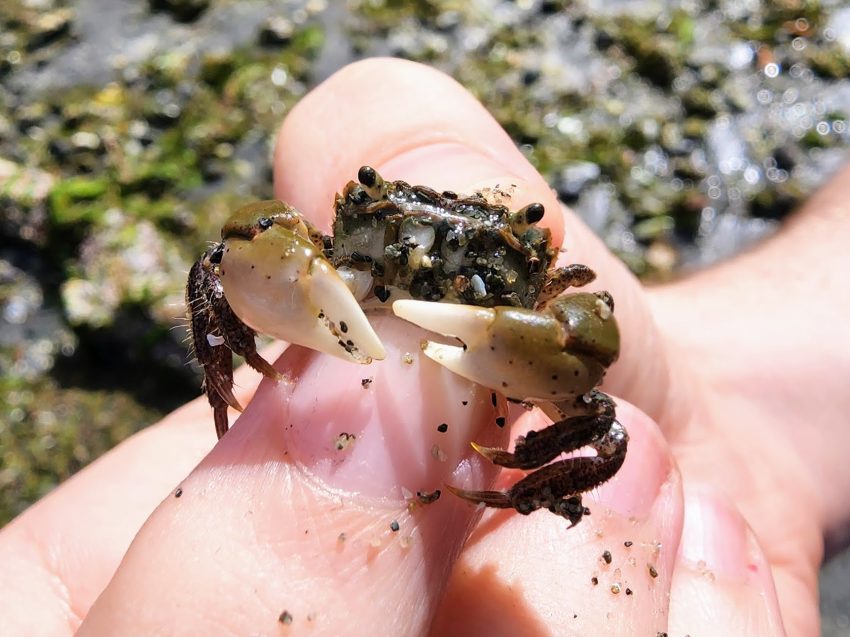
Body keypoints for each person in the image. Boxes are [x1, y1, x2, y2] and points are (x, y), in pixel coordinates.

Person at [1, 58, 846, 636]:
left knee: (609, 438)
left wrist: (530, 476)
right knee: (221, 261)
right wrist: (237, 374)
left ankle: (515, 498)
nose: (429, 254)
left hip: (517, 391)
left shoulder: (559, 297)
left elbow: (598, 369)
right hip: (344, 320)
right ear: (355, 208)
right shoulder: (327, 242)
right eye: (377, 207)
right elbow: (228, 264)